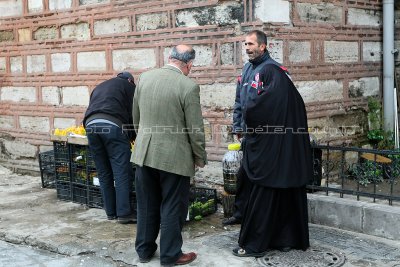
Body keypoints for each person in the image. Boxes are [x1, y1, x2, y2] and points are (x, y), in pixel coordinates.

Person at [231, 30, 313, 257]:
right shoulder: (248, 69)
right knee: (245, 182)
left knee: (270, 193)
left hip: (273, 147)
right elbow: (242, 102)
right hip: (262, 142)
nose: (246, 48)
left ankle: (273, 240)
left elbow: (266, 107)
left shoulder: (273, 71)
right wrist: (240, 125)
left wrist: (250, 118)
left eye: (250, 44)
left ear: (263, 46)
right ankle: (270, 233)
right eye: (244, 44)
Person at [131, 45, 207, 266]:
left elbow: (135, 117)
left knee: (146, 204)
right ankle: (171, 255)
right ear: (189, 65)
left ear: (170, 58)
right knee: (173, 206)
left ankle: (144, 251)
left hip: (144, 154)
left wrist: (144, 141)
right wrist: (199, 156)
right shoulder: (188, 86)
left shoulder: (145, 78)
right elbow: (195, 128)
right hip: (174, 158)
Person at [84, 71, 137, 224]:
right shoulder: (129, 87)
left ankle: (111, 211)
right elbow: (134, 114)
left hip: (90, 125)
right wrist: (133, 136)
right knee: (121, 170)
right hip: (112, 125)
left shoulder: (100, 86)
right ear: (130, 80)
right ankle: (124, 213)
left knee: (103, 171)